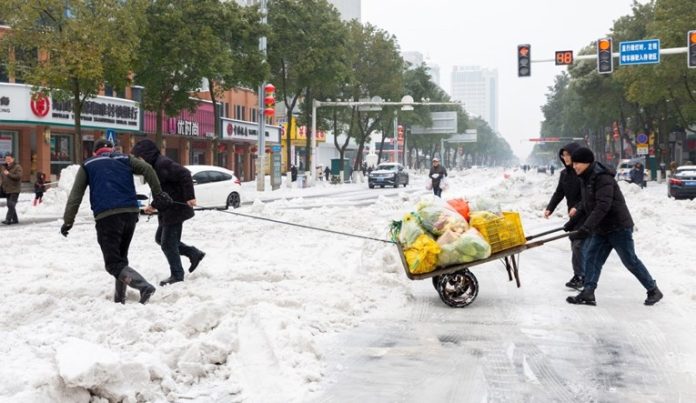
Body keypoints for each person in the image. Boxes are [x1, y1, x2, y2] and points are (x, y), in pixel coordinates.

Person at [61, 139, 172, 304]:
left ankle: (143, 286)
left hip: (107, 216)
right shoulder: (125, 159)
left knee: (113, 264)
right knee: (121, 259)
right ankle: (119, 298)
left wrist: (68, 221)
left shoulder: (88, 164)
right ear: (112, 149)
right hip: (130, 214)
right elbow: (148, 168)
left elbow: (75, 196)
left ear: (94, 152)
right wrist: (158, 193)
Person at [563, 147, 662, 306]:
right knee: (592, 257)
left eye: (577, 163)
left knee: (630, 261)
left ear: (587, 162)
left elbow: (603, 205)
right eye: (573, 163)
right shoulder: (585, 177)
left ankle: (653, 289)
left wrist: (586, 227)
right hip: (602, 227)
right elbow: (585, 203)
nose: (574, 166)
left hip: (618, 226)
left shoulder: (602, 178)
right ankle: (588, 292)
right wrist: (572, 223)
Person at [131, 139, 206, 287]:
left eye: (139, 157)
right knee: (161, 239)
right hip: (168, 209)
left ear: (146, 154)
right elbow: (163, 190)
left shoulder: (162, 164)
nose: (138, 161)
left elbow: (184, 174)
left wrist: (190, 196)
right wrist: (153, 206)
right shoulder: (153, 166)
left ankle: (177, 275)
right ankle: (193, 253)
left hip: (176, 209)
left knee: (167, 244)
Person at [543, 143, 586, 290]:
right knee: (576, 243)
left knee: (579, 244)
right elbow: (559, 193)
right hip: (573, 214)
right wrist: (550, 208)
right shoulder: (564, 174)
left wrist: (577, 207)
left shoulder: (582, 172)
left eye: (568, 154)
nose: (565, 157)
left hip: (586, 212)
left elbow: (588, 195)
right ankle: (581, 275)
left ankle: (581, 276)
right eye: (563, 155)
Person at [1, 152, 22, 225]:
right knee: (10, 205)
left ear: (13, 159)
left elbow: (18, 177)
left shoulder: (17, 167)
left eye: (9, 159)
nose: (8, 160)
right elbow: (2, 177)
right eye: (6, 159)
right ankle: (15, 219)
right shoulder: (4, 167)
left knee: (11, 204)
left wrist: (9, 174)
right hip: (7, 189)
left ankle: (8, 219)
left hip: (15, 189)